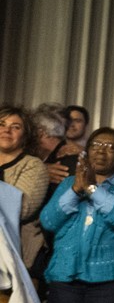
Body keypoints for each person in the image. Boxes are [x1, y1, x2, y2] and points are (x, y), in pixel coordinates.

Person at [40, 127, 114, 303]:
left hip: (110, 282)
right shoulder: (69, 183)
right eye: (96, 145)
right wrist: (76, 189)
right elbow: (48, 221)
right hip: (65, 276)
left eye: (110, 147)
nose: (101, 151)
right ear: (86, 151)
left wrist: (92, 189)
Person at [0, 105, 48, 277]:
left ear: (25, 135)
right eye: (2, 124)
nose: (7, 130)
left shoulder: (33, 166)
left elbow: (23, 208)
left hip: (16, 261)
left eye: (15, 127)